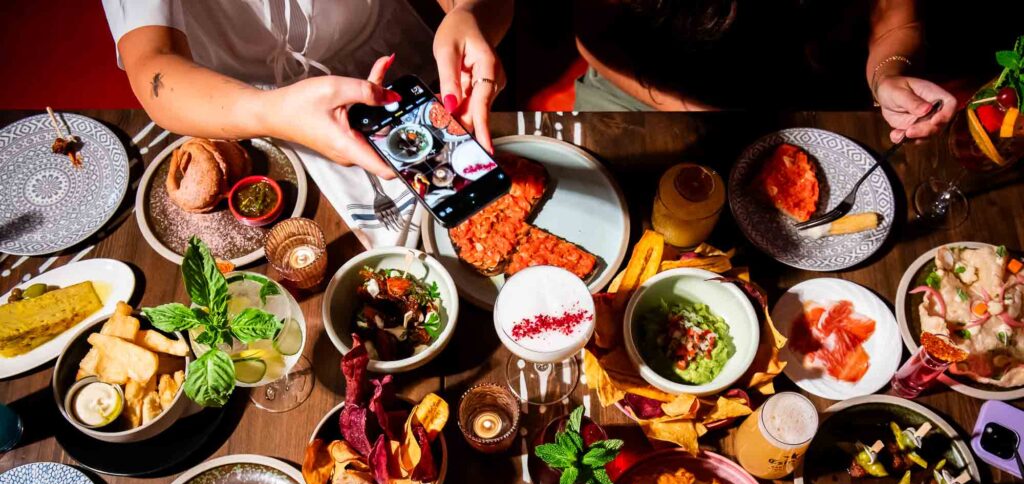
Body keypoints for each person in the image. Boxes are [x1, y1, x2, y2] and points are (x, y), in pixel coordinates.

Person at [100, 0, 512, 178]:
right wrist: (269, 113)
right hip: (243, 114)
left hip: (414, 77)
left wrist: (470, 13)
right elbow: (152, 66)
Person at [573, 0, 957, 142]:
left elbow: (890, 12)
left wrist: (887, 75)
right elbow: (591, 33)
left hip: (803, 77)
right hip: (645, 77)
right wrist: (703, 114)